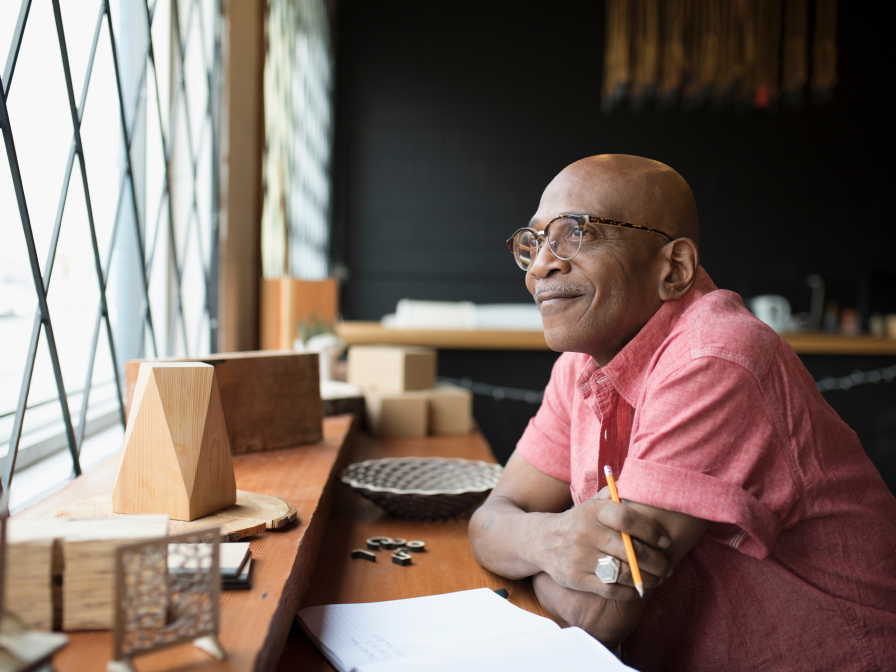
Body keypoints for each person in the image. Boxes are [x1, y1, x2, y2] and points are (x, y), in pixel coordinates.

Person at [469, 155, 896, 671]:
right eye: (533, 244)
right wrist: (552, 540)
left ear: (673, 269)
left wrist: (528, 548)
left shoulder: (714, 356)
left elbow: (599, 611)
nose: (541, 266)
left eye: (575, 234)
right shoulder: (581, 362)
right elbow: (491, 515)